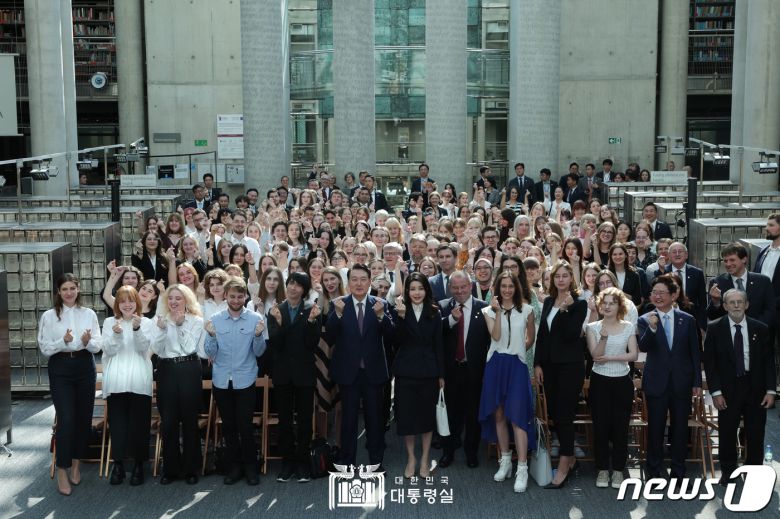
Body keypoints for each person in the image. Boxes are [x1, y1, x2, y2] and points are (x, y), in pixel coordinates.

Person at [702, 289, 776, 485]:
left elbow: (769, 361)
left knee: (755, 431)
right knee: (727, 431)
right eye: (731, 302)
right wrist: (715, 392)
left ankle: (754, 472)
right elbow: (710, 364)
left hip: (756, 388)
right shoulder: (715, 328)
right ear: (725, 306)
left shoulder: (760, 328)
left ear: (746, 305)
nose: (736, 305)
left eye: (739, 302)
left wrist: (771, 390)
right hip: (727, 388)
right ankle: (728, 472)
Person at [37, 274, 102, 496]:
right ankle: (62, 469)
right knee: (66, 419)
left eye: (72, 288)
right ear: (58, 292)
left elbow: (98, 346)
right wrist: (61, 342)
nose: (69, 293)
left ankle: (76, 463)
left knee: (84, 418)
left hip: (84, 365)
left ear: (78, 289)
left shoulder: (89, 314)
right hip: (60, 367)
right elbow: (45, 348)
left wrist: (87, 342)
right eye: (64, 289)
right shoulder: (49, 316)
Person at [326, 264, 395, 469]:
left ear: (369, 281)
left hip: (373, 372)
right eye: (354, 279)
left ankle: (376, 462)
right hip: (348, 373)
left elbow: (392, 336)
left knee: (375, 420)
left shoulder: (380, 303)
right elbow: (329, 336)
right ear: (348, 283)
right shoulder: (338, 304)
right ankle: (347, 462)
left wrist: (382, 316)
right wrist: (337, 315)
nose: (358, 283)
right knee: (348, 420)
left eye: (363, 279)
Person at [637, 274, 701, 479]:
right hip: (656, 382)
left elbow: (695, 354)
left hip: (682, 382)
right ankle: (654, 473)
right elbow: (643, 346)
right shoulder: (645, 319)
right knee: (655, 429)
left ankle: (679, 473)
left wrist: (697, 382)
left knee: (680, 430)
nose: (657, 296)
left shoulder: (688, 320)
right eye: (654, 292)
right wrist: (653, 327)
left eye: (662, 293)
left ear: (674, 295)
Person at [204, 277, 266, 486]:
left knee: (245, 427)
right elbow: (209, 352)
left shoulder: (255, 318)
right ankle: (234, 467)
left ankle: (250, 467)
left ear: (245, 296)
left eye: (240, 296)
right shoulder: (215, 319)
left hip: (245, 379)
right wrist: (211, 336)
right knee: (229, 427)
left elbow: (259, 352)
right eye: (232, 296)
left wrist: (258, 337)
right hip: (222, 380)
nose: (236, 300)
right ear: (226, 296)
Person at [479, 271, 536, 493]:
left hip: (517, 366)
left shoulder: (528, 310)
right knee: (500, 414)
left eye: (511, 286)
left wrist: (520, 352)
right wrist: (497, 312)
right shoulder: (487, 310)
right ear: (497, 288)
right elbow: (495, 336)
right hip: (495, 365)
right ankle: (505, 461)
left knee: (518, 417)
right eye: (503, 286)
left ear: (517, 287)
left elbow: (531, 337)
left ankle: (522, 467)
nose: (507, 290)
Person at [534, 261, 587, 488]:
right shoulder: (547, 301)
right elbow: (543, 336)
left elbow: (570, 334)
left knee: (564, 415)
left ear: (571, 279)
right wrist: (537, 364)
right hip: (549, 366)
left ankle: (565, 462)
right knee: (555, 414)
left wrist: (565, 309)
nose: (561, 279)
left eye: (565, 275)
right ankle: (570, 456)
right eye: (557, 276)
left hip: (570, 367)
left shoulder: (579, 304)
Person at [266, 272, 321, 482]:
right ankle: (287, 462)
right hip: (282, 374)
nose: (293, 288)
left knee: (305, 420)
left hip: (305, 373)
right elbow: (276, 345)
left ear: (304, 290)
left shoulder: (311, 310)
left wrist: (312, 322)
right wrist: (279, 323)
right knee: (285, 420)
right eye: (291, 283)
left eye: (299, 285)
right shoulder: (275, 310)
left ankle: (303, 462)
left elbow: (311, 343)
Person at [151, 284, 206, 485]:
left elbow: (190, 347)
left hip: (189, 368)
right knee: (169, 421)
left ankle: (191, 468)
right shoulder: (161, 320)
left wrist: (181, 325)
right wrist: (162, 329)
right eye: (171, 298)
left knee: (189, 420)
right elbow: (156, 348)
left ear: (187, 300)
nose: (174, 302)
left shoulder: (196, 320)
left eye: (178, 298)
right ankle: (171, 469)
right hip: (166, 370)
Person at [391, 273, 445, 478]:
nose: (416, 293)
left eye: (420, 288)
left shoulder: (434, 312)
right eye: (412, 289)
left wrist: (441, 374)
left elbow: (438, 345)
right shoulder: (399, 310)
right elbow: (397, 340)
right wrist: (403, 317)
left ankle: (424, 460)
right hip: (405, 371)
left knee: (426, 418)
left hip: (429, 372)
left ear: (426, 290)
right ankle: (411, 458)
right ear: (407, 291)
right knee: (407, 418)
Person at [585, 287, 638, 489]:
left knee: (621, 427)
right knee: (600, 426)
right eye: (604, 303)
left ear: (619, 306)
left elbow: (633, 354)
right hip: (600, 381)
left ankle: (617, 470)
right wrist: (604, 338)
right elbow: (595, 356)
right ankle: (601, 470)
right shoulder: (592, 327)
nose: (607, 306)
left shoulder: (628, 326)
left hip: (622, 380)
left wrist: (612, 358)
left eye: (612, 303)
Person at [437, 272, 491, 469]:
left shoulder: (484, 308)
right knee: (450, 414)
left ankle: (471, 453)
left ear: (470, 286)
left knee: (473, 414)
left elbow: (489, 342)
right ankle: (447, 452)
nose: (459, 291)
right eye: (455, 288)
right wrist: (451, 320)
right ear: (450, 288)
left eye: (463, 287)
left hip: (475, 370)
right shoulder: (442, 307)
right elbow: (436, 338)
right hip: (450, 371)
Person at [101, 286, 153, 486]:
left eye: (130, 300)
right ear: (117, 304)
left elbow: (144, 349)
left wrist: (137, 329)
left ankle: (139, 464)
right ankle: (119, 464)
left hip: (139, 376)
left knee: (139, 424)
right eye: (122, 301)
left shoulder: (145, 322)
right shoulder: (109, 322)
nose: (127, 304)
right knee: (118, 425)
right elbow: (108, 350)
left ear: (137, 302)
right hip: (116, 378)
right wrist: (115, 335)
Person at [707, 242, 775, 328]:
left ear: (744, 259)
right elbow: (712, 316)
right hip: (729, 335)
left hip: (758, 334)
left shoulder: (763, 281)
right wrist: (716, 302)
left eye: (732, 260)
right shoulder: (717, 283)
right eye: (725, 261)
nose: (728, 264)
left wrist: (755, 327)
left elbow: (770, 311)